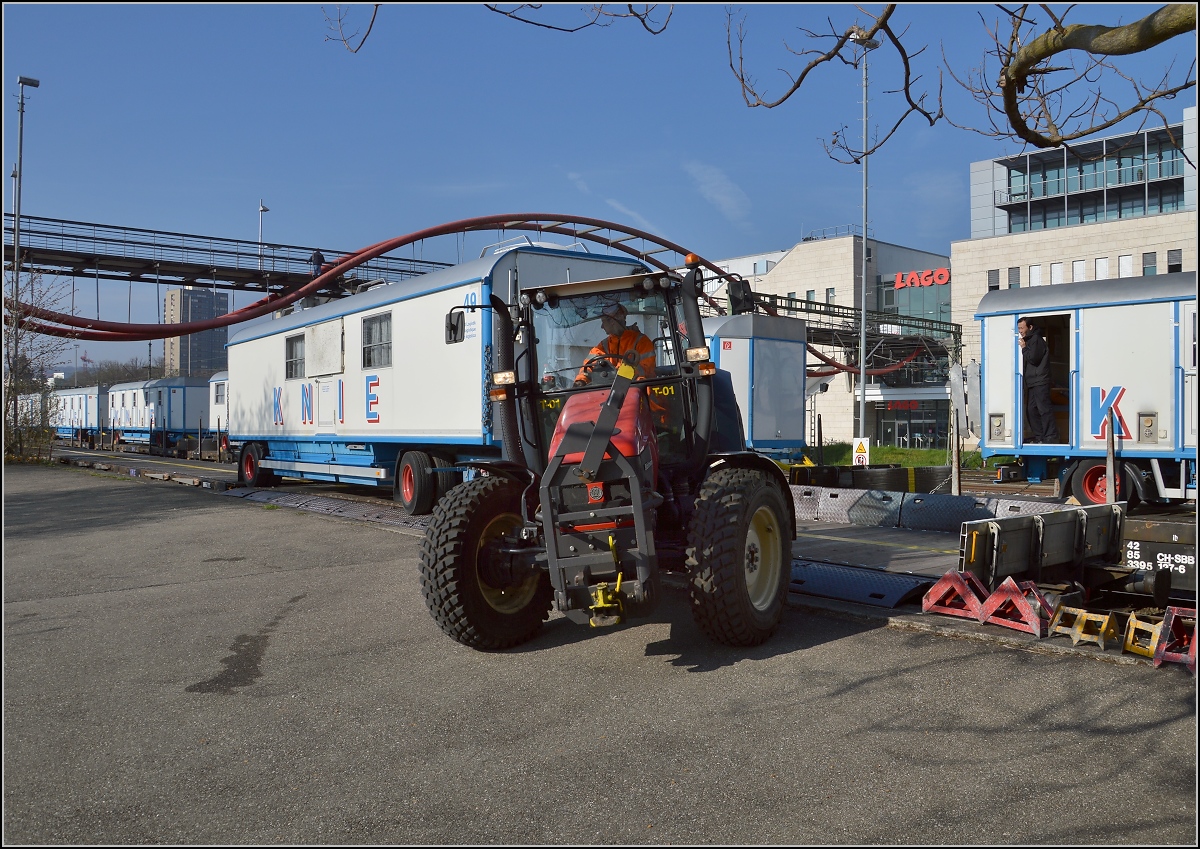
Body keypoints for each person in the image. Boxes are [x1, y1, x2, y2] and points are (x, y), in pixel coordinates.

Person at [574, 303, 656, 387]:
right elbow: (588, 366)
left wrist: (621, 371)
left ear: (612, 321)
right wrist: (581, 380)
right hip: (608, 392)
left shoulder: (641, 342)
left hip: (637, 390)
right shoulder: (603, 345)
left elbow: (647, 369)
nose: (602, 326)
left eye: (603, 321)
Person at [1017, 316, 1059, 444]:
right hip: (1032, 382)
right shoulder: (1030, 340)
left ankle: (1051, 436)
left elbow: (1034, 358)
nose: (1020, 331)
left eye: (1022, 328)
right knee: (1031, 410)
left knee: (1044, 409)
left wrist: (1024, 348)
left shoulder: (1036, 340)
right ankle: (1040, 436)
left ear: (1030, 327)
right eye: (1018, 328)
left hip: (1040, 380)